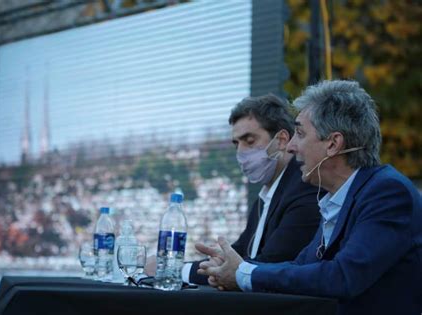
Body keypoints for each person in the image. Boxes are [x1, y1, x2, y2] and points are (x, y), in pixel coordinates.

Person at [198, 80, 422, 315]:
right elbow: (300, 267)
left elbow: (343, 276)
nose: (291, 146)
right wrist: (231, 267)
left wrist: (243, 273)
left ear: (333, 144)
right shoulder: (337, 197)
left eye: (300, 134)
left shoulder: (388, 194)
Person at [146, 94, 321, 284]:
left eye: (250, 140)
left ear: (281, 140)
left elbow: (266, 266)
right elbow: (239, 253)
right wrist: (216, 261)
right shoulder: (265, 198)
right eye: (237, 143)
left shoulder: (305, 190)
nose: (241, 153)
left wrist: (175, 270)